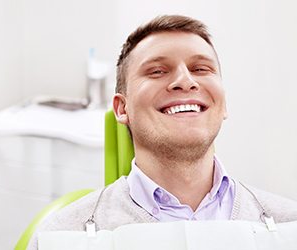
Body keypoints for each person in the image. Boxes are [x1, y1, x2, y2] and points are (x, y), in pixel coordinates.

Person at [28, 14, 297, 249]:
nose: (185, 81)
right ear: (122, 109)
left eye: (201, 69)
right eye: (157, 71)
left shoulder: (290, 223)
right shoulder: (61, 236)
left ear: (223, 103)